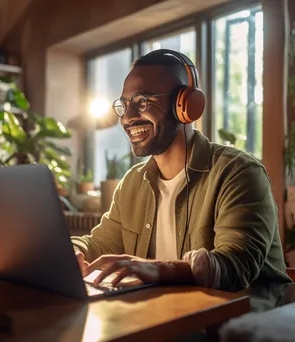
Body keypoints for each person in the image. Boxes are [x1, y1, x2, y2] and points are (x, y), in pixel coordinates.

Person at [71, 49, 290, 295]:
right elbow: (99, 244)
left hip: (241, 325)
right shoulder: (132, 182)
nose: (128, 118)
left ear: (184, 106)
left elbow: (235, 267)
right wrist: (71, 252)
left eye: (142, 101)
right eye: (124, 105)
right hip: (171, 318)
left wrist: (157, 269)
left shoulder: (238, 174)